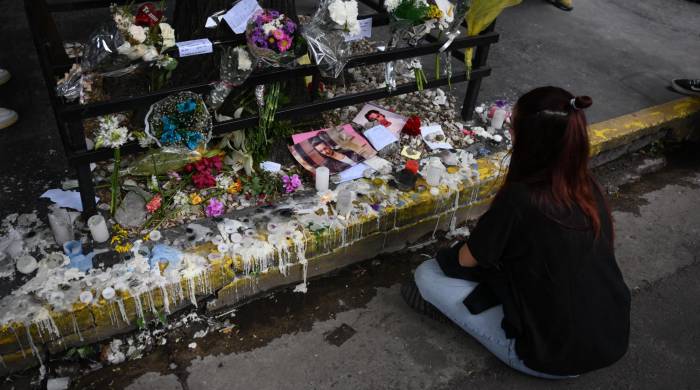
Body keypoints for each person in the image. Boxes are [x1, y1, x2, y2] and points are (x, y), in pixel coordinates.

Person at [403, 86, 631, 378]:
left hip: (548, 357)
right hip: (609, 338)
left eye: (513, 127)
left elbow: (465, 261)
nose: (510, 132)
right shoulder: (586, 188)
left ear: (529, 141)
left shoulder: (522, 198)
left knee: (427, 276)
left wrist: (459, 250)